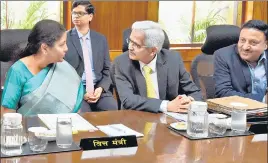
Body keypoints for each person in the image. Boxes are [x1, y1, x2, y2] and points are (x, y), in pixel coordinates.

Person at [113, 20, 202, 113]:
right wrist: (166, 105)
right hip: (137, 118)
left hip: (169, 119)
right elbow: (128, 100)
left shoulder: (173, 59)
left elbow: (194, 92)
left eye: (136, 45)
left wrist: (190, 101)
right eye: (130, 41)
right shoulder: (121, 62)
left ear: (153, 51)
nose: (130, 47)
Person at [1, 19, 84, 116]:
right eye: (61, 45)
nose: (66, 48)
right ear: (44, 48)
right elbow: (7, 112)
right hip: (30, 128)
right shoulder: (18, 71)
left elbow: (75, 107)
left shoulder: (64, 67)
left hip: (64, 126)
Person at [65, 1, 117, 112]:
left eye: (80, 13)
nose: (76, 16)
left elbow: (107, 69)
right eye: (74, 13)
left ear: (90, 16)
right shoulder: (64, 38)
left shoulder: (100, 39)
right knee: (83, 114)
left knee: (112, 109)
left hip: (98, 88)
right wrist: (82, 93)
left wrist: (101, 88)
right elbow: (62, 73)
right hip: (76, 90)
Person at [214, 20, 268, 102]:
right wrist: (263, 99)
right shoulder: (223, 56)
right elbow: (223, 92)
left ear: (265, 45)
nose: (245, 47)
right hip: (239, 111)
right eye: (242, 40)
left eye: (253, 43)